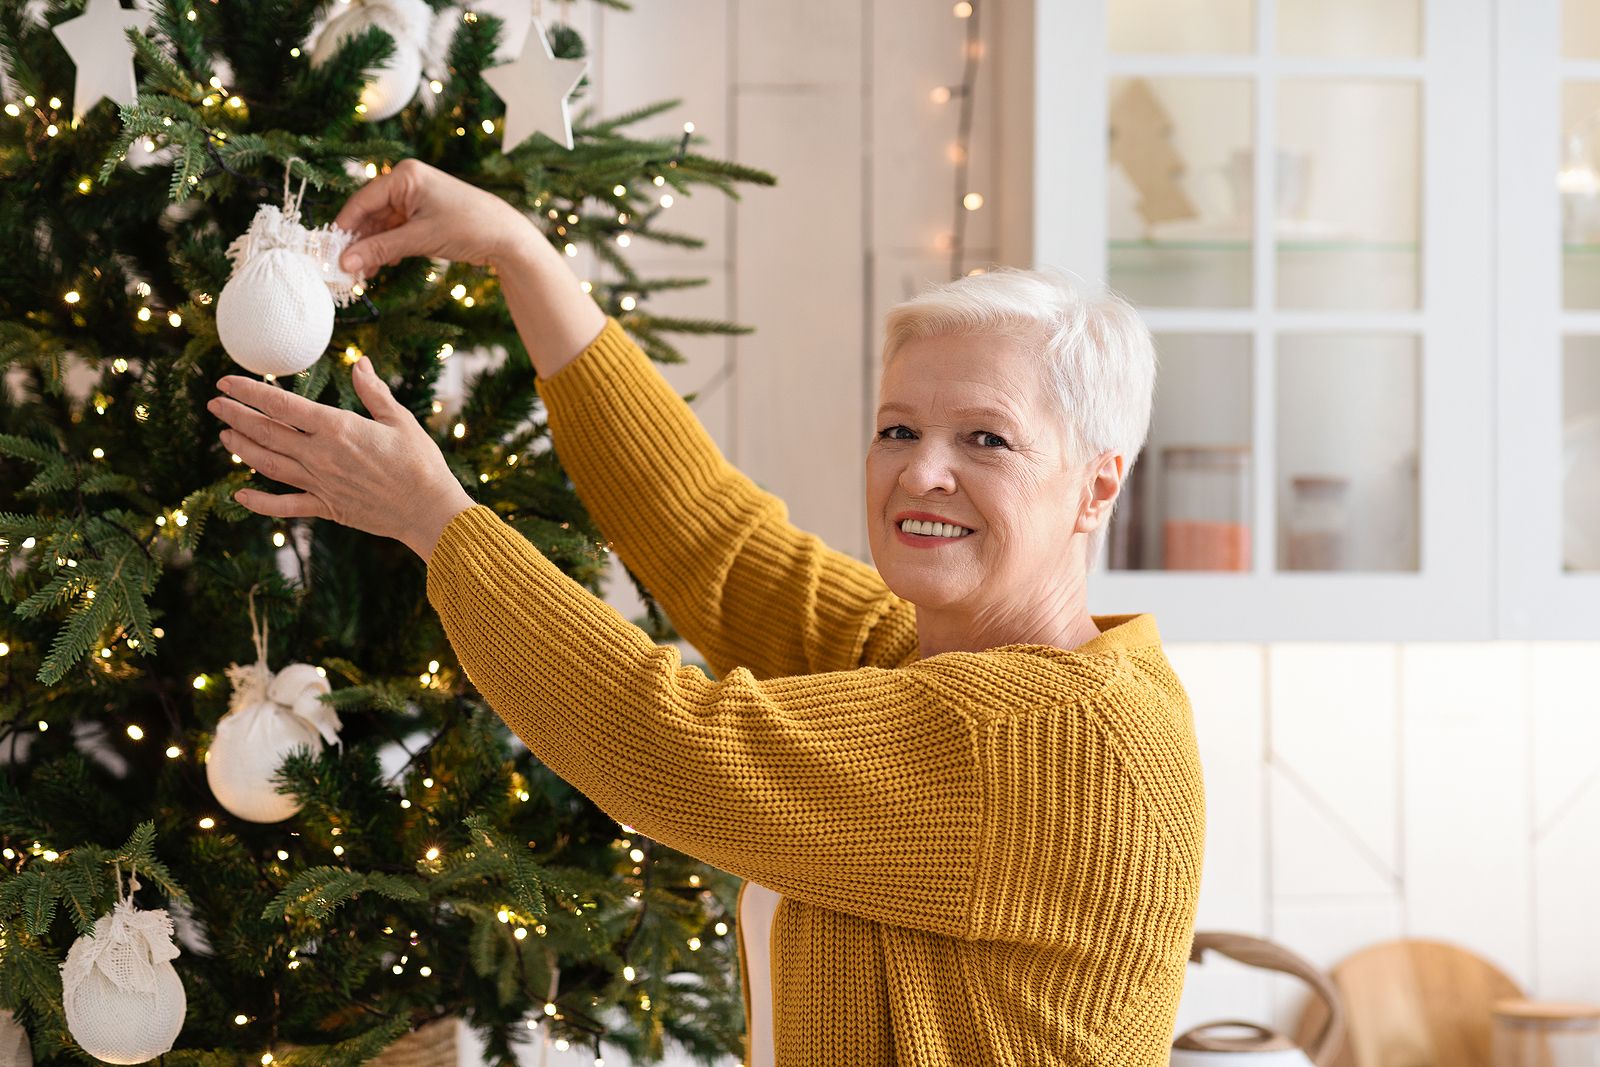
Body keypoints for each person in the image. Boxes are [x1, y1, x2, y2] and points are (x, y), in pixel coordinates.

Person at [206, 157, 1205, 1066]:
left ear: (1095, 487)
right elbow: (717, 546)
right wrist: (518, 252)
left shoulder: (1045, 738)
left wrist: (435, 519)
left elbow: (669, 744)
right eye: (897, 427)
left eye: (986, 439)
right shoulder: (928, 655)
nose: (922, 471)